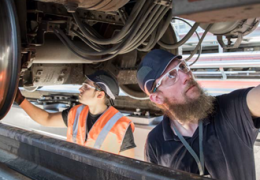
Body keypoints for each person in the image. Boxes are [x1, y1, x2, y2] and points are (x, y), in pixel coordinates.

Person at [136, 49, 260, 180]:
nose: (186, 76)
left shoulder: (230, 109)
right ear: (157, 98)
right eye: (171, 76)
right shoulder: (155, 142)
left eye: (182, 67)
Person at [15, 70, 136, 158]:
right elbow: (46, 119)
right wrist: (20, 99)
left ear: (100, 95)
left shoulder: (121, 126)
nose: (80, 89)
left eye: (86, 87)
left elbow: (127, 168)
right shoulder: (77, 113)